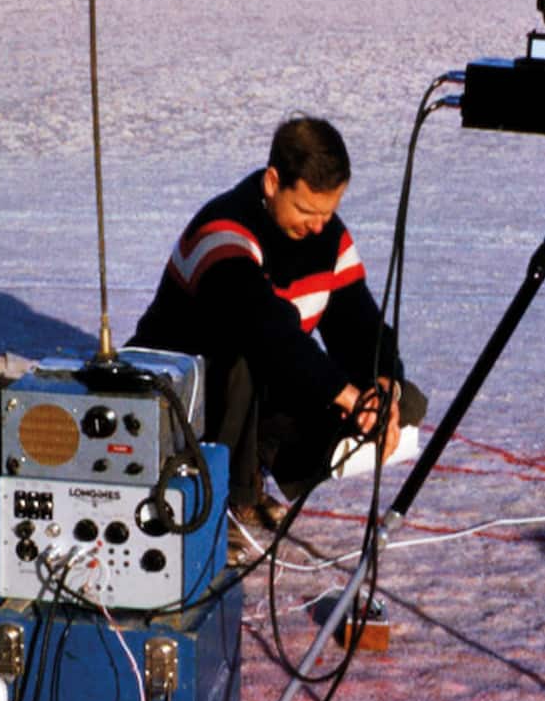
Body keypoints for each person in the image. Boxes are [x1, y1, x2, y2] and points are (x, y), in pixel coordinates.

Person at [130, 115, 425, 524]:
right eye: (307, 210)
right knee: (245, 357)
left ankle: (250, 476)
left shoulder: (327, 235)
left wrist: (382, 388)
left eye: (328, 211)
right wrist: (348, 397)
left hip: (268, 384)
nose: (319, 225)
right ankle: (220, 503)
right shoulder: (222, 232)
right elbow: (264, 329)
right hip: (182, 393)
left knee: (405, 399)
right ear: (273, 183)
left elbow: (358, 325)